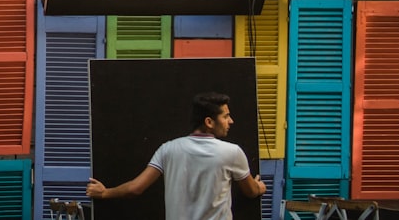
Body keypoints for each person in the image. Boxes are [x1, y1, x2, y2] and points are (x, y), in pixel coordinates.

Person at [85, 91, 266, 220]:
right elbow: (250, 191)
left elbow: (135, 188)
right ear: (209, 122)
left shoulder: (168, 149)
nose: (231, 121)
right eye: (226, 116)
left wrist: (105, 193)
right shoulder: (232, 152)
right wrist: (260, 187)